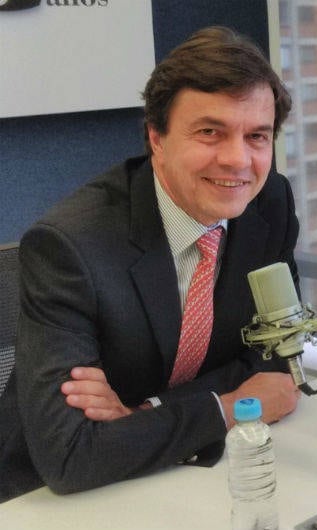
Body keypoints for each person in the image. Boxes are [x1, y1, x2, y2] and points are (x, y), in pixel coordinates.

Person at [0, 26, 301, 502]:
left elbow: (276, 354)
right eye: (210, 132)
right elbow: (71, 455)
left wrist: (147, 411)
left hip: (188, 473)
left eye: (256, 136)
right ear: (156, 138)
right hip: (51, 500)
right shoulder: (71, 246)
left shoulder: (269, 203)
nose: (237, 159)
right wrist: (226, 408)